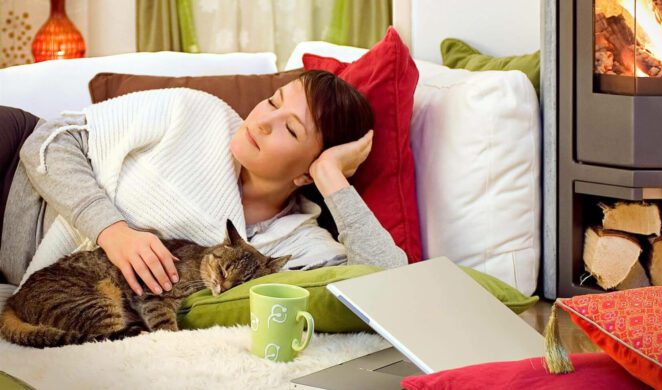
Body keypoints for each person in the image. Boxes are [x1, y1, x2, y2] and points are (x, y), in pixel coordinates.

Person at [0, 70, 407, 305]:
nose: (264, 119)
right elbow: (50, 139)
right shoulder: (196, 111)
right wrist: (112, 230)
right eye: (273, 101)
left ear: (307, 173)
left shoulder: (297, 243)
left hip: (37, 281)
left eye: (291, 128)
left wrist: (332, 178)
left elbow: (393, 288)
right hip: (15, 167)